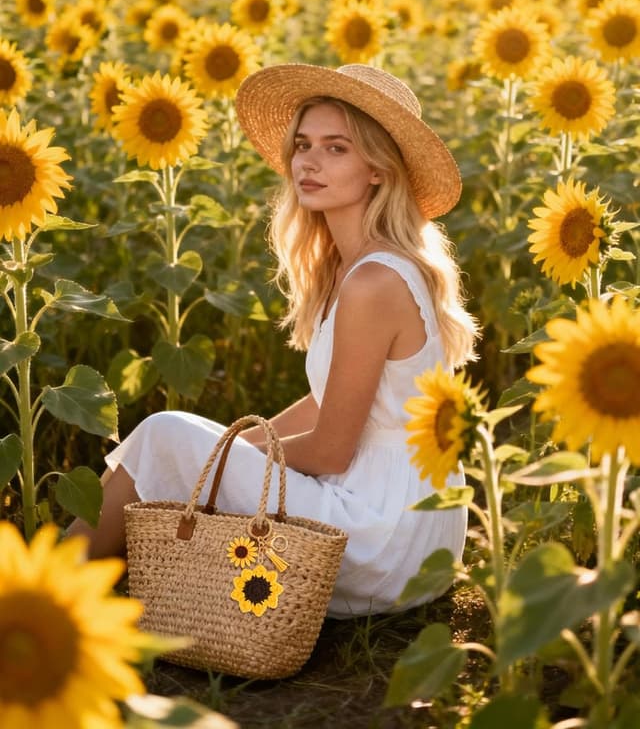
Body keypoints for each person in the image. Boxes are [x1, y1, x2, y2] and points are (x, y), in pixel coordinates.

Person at [68, 62, 479, 618]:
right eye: (304, 144)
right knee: (178, 444)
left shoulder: (376, 281)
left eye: (337, 149)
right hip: (410, 523)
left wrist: (215, 463)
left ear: (378, 170)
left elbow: (331, 451)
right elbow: (324, 404)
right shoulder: (353, 267)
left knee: (164, 434)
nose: (309, 161)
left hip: (386, 533)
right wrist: (226, 455)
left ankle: (42, 594)